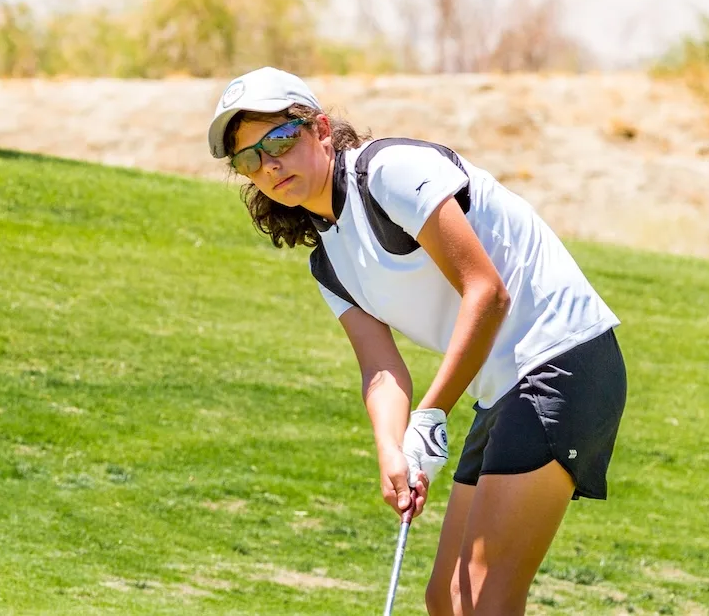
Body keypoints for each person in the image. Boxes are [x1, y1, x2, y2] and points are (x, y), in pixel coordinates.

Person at [207, 67, 627, 615]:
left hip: (562, 356)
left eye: (280, 140)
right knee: (446, 601)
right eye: (248, 159)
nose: (270, 165)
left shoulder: (389, 172)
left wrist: (430, 414)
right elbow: (381, 371)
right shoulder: (328, 262)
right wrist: (392, 447)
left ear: (321, 129)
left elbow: (486, 292)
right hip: (503, 388)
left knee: (485, 593)